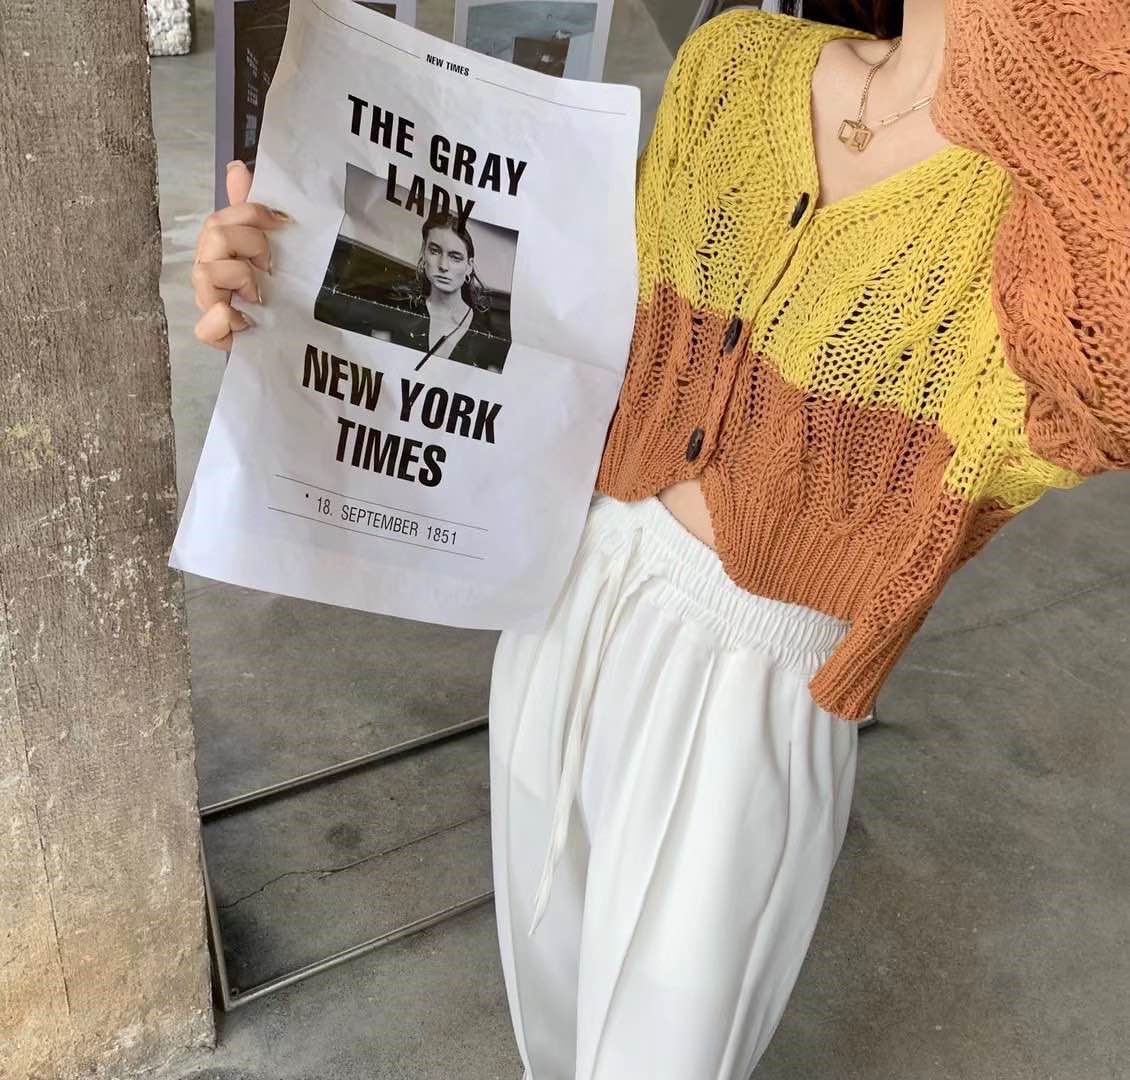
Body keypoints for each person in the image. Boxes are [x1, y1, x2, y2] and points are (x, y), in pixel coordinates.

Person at [191, 0, 1128, 1074]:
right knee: (548, 1005)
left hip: (753, 691)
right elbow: (564, 323)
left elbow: (1107, 398)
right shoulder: (737, 63)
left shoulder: (1061, 210)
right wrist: (296, 284)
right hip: (568, 595)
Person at [314, 210, 511, 372]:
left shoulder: (486, 336)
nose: (443, 266)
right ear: (424, 253)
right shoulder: (399, 311)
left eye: (455, 257)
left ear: (469, 266)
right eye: (435, 251)